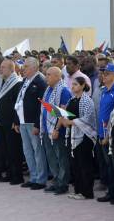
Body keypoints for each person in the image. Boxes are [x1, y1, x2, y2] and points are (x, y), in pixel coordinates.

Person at [13, 57, 49, 190]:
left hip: (32, 122)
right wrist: (16, 121)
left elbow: (41, 105)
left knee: (37, 151)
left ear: (34, 67)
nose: (23, 69)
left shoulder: (40, 81)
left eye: (26, 66)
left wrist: (37, 124)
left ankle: (40, 179)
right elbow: (19, 101)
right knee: (27, 151)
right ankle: (33, 177)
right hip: (23, 121)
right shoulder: (25, 81)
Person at [59, 77, 97, 200]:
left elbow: (88, 119)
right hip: (73, 135)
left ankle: (87, 192)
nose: (73, 86)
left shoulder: (87, 100)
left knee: (84, 165)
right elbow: (68, 115)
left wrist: (70, 122)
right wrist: (62, 115)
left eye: (75, 84)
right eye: (72, 84)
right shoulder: (72, 100)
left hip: (84, 136)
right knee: (75, 164)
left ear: (82, 86)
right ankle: (78, 190)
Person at [41, 67, 72, 195]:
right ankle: (55, 181)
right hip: (47, 129)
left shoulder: (64, 91)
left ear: (57, 77)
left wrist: (57, 129)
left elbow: (63, 113)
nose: (46, 77)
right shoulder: (48, 89)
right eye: (46, 74)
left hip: (58, 130)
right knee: (51, 157)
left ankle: (63, 184)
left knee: (61, 157)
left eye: (49, 75)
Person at [0, 59, 24, 185]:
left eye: (4, 67)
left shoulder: (17, 83)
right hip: (1, 121)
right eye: (0, 67)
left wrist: (16, 121)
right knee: (5, 150)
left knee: (14, 150)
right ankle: (9, 173)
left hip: (11, 123)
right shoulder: (1, 82)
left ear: (12, 69)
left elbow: (18, 104)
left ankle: (17, 176)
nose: (1, 69)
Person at [96, 63, 114, 203]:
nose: (103, 76)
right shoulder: (103, 90)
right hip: (101, 132)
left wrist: (107, 135)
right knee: (108, 165)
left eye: (106, 73)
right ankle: (111, 192)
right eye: (103, 73)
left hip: (111, 135)